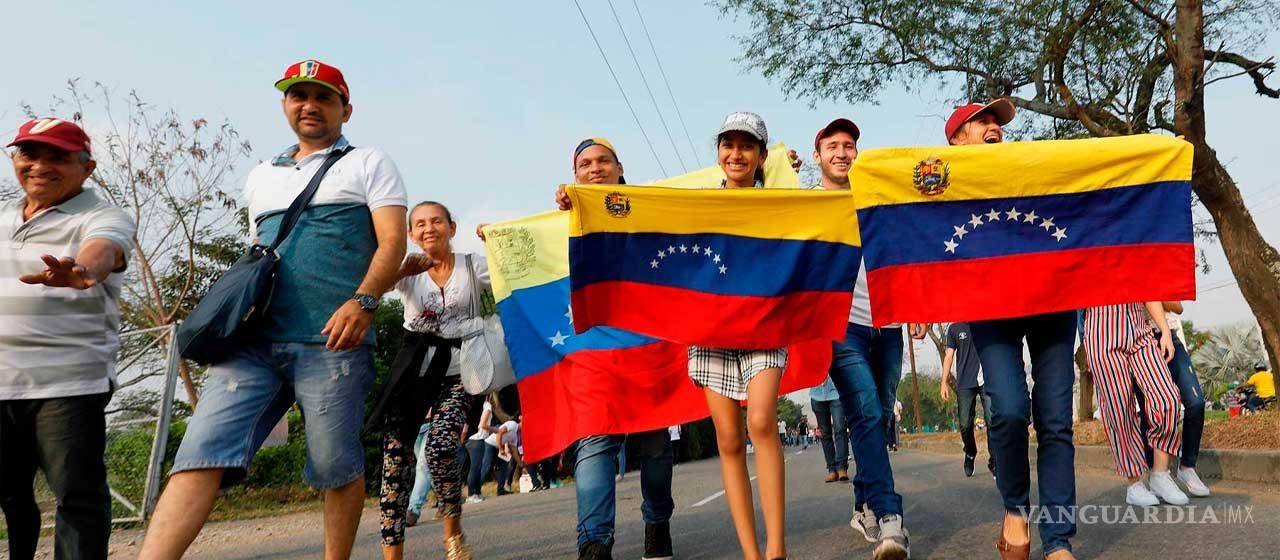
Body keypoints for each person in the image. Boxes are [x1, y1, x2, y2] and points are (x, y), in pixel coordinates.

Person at [140, 59, 408, 560]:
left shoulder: (369, 162)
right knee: (199, 454)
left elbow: (393, 241)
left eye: (324, 97)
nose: (310, 105)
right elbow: (256, 255)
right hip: (251, 345)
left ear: (346, 109)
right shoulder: (261, 175)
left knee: (335, 466)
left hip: (334, 341)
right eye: (298, 96)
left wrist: (364, 300)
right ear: (285, 105)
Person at [946, 99, 1076, 560]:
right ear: (956, 139)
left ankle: (1058, 539)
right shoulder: (941, 187)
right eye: (981, 121)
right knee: (1008, 410)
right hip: (990, 307)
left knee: (1055, 420)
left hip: (1053, 299)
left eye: (996, 122)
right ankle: (1015, 509)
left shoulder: (1033, 166)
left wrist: (1158, 160)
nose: (993, 127)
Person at [1, 118, 135, 560]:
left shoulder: (102, 216)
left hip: (67, 384)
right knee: (9, 494)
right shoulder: (3, 216)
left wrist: (81, 270)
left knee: (77, 495)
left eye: (57, 156)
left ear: (87, 167)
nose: (40, 166)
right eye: (29, 154)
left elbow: (104, 249)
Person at [554, 137, 677, 560]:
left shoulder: (647, 206)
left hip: (649, 348)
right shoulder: (562, 221)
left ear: (619, 167)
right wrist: (498, 238)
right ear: (574, 175)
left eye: (603, 161)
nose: (594, 168)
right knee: (594, 444)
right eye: (585, 163)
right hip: (595, 353)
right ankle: (594, 544)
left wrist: (770, 172)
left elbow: (707, 201)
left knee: (656, 448)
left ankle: (657, 524)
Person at [811, 117, 912, 560]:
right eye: (832, 145)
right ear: (817, 156)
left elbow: (901, 251)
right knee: (867, 410)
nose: (842, 152)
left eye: (849, 145)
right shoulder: (806, 205)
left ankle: (862, 502)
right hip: (841, 327)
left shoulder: (875, 200)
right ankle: (890, 517)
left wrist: (913, 306)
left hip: (887, 322)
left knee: (878, 416)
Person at [371, 200, 490, 559]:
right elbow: (372, 287)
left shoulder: (473, 265)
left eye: (437, 221)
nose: (428, 229)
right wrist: (399, 270)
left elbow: (514, 271)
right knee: (395, 461)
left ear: (452, 228)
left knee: (439, 447)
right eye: (420, 224)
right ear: (411, 234)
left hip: (459, 372)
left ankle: (452, 531)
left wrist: (496, 241)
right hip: (413, 374)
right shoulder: (408, 270)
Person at [1082, 303, 1188, 507]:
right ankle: (1134, 484)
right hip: (1099, 326)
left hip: (1139, 326)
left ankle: (1160, 474)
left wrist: (1165, 330)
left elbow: (1148, 290)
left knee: (1167, 398)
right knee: (1118, 408)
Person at [1137, 301, 1210, 497]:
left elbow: (1178, 307)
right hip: (1139, 341)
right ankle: (1155, 473)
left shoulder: (1156, 280)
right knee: (1149, 410)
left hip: (1168, 335)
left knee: (1196, 402)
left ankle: (1187, 466)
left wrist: (1153, 295)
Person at [940, 322, 996, 478]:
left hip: (987, 379)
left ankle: (994, 461)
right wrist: (943, 382)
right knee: (965, 424)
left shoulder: (983, 319)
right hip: (965, 383)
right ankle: (970, 452)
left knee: (992, 420)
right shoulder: (954, 328)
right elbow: (949, 355)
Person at [465, 399, 498, 503]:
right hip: (477, 440)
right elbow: (483, 425)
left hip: (476, 440)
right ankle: (471, 495)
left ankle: (477, 493)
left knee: (477, 468)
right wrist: (495, 430)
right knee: (475, 468)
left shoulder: (482, 406)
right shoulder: (487, 406)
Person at [488, 414, 521, 495]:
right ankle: (475, 491)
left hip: (498, 446)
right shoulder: (513, 424)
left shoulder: (515, 436)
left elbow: (514, 451)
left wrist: (520, 463)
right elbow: (500, 433)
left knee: (504, 466)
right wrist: (501, 448)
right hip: (491, 444)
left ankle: (500, 490)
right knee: (486, 466)